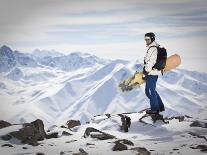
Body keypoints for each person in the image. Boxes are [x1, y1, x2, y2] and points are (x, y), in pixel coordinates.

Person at [142, 32, 165, 114]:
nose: (146, 41)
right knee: (150, 90)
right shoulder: (152, 47)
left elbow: (151, 61)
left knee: (150, 91)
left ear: (152, 39)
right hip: (152, 72)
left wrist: (145, 72)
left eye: (148, 39)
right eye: (145, 39)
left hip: (152, 73)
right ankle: (160, 106)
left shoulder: (153, 48)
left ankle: (155, 109)